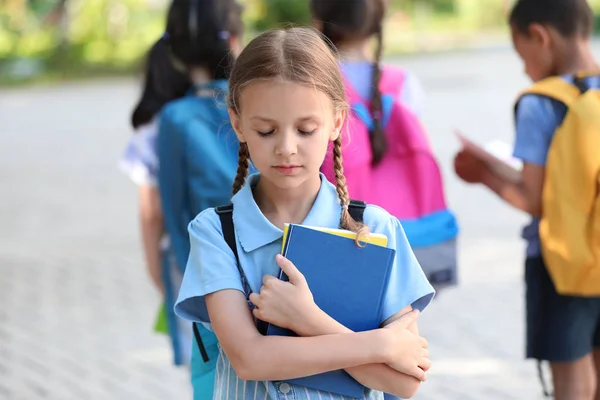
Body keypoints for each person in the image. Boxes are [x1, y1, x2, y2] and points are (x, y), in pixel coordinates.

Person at [175, 26, 435, 400]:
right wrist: (379, 345)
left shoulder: (375, 229)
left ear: (337, 122)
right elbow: (249, 358)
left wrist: (307, 320)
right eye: (266, 131)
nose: (286, 148)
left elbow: (405, 381)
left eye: (305, 129)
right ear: (237, 123)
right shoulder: (216, 232)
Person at [454, 1, 600, 399]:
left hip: (561, 263)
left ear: (540, 36)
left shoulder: (540, 102)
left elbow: (534, 200)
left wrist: (482, 175)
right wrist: (492, 161)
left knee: (572, 376)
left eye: (522, 56)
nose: (524, 69)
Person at [313, 0, 459, 293]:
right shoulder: (404, 83)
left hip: (340, 234)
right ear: (378, 24)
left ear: (319, 20)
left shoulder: (314, 82)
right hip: (407, 238)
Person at [157, 0, 246, 397]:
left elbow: (174, 213)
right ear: (235, 38)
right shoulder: (254, 101)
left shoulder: (174, 118)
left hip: (208, 270)